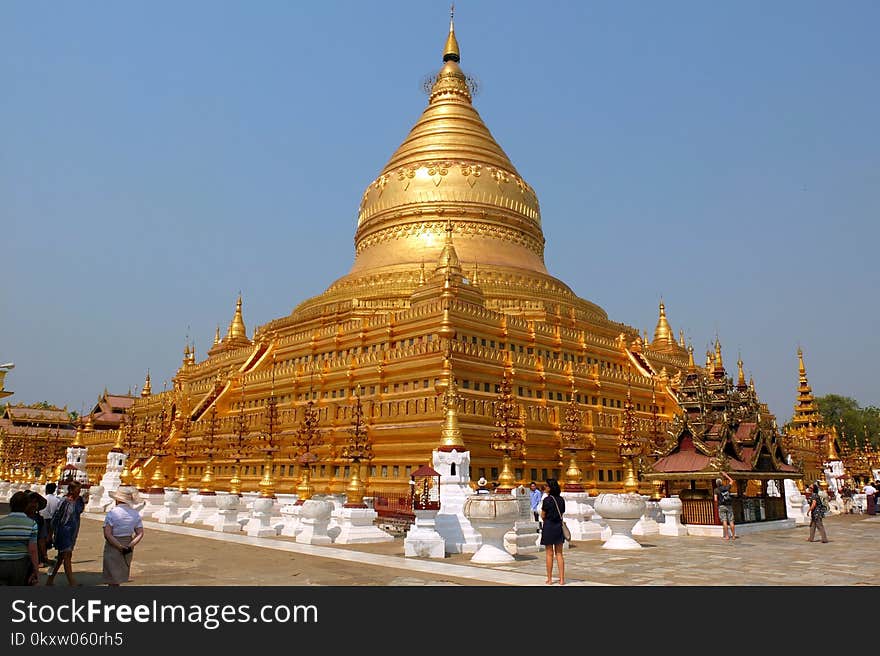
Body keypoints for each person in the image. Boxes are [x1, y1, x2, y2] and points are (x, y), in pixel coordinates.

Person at [102, 487, 144, 586]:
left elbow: (107, 534)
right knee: (120, 574)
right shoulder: (135, 514)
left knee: (112, 577)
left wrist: (119, 546)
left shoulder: (112, 513)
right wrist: (130, 545)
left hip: (113, 544)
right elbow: (140, 533)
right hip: (128, 543)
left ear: (117, 499)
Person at [46, 480, 85, 586]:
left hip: (73, 531)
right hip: (63, 531)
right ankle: (72, 582)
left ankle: (50, 579)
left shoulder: (78, 501)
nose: (79, 492)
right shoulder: (64, 501)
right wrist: (51, 533)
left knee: (60, 558)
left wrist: (81, 499)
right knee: (67, 555)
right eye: (77, 489)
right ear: (71, 490)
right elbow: (56, 518)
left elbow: (80, 511)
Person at [0, 491, 41, 586]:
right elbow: (33, 550)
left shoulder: (1, 522)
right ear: (26, 506)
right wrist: (36, 570)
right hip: (20, 564)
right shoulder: (32, 524)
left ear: (11, 505)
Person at [539, 478, 566, 585]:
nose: (544, 487)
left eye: (546, 486)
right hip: (558, 526)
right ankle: (562, 579)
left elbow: (543, 515)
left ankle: (550, 579)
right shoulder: (561, 500)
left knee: (549, 554)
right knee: (559, 554)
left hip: (549, 526)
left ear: (550, 487)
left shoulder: (547, 500)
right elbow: (562, 514)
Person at [38, 483, 61, 567]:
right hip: (53, 521)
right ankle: (44, 557)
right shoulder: (57, 500)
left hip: (44, 520)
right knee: (48, 539)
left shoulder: (43, 499)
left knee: (42, 540)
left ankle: (42, 558)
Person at [714, 471, 736, 540]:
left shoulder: (716, 490)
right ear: (722, 482)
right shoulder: (726, 487)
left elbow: (715, 499)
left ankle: (726, 536)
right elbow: (732, 481)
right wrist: (726, 475)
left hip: (721, 506)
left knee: (724, 521)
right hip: (729, 505)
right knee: (731, 521)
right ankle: (733, 536)